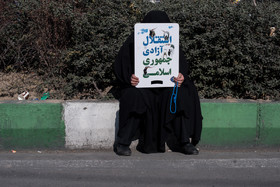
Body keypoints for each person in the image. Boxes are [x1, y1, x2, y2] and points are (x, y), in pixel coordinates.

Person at [114, 10, 202, 156]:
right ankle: (122, 143)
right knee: (132, 97)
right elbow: (121, 66)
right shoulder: (133, 41)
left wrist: (181, 77)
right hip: (141, 87)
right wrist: (130, 78)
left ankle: (185, 142)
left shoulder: (171, 41)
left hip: (166, 86)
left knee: (179, 95)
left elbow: (180, 66)